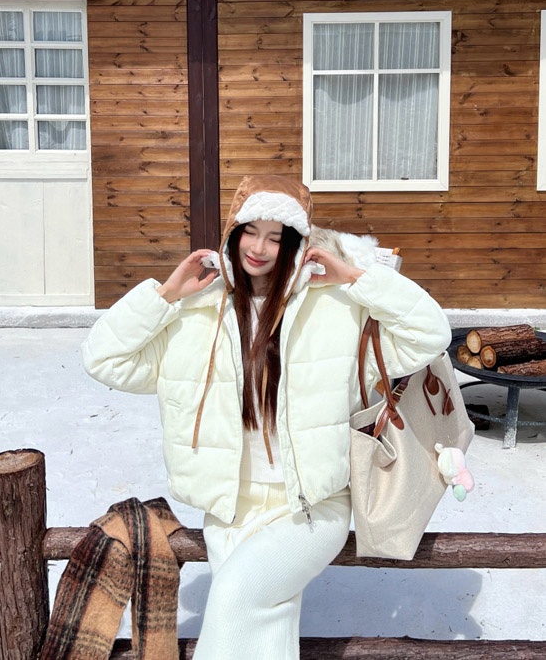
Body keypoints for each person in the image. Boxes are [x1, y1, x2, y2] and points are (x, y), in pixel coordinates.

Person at [82, 174, 451, 659]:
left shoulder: (336, 309)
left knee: (234, 599)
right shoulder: (196, 313)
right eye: (250, 231)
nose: (259, 248)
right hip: (230, 508)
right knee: (264, 630)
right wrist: (165, 295)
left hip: (310, 506)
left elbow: (430, 334)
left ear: (295, 244)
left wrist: (356, 279)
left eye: (276, 237)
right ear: (233, 233)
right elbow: (103, 359)